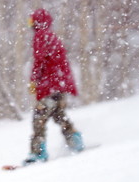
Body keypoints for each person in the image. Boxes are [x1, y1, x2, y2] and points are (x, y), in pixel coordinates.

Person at [24, 8, 84, 164]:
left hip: (49, 86)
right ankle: (74, 140)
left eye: (31, 21)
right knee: (58, 115)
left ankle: (38, 153)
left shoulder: (40, 36)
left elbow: (39, 61)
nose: (30, 25)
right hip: (59, 86)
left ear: (37, 22)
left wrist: (33, 81)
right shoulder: (52, 36)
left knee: (39, 118)